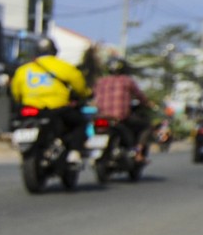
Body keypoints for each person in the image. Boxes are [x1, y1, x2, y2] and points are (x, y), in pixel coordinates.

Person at [10, 37, 91, 167]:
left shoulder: (23, 70)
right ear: (54, 51)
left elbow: (15, 93)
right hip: (57, 110)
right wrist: (84, 95)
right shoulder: (65, 66)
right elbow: (81, 87)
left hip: (30, 109)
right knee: (80, 123)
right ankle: (74, 153)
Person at [92, 56, 151, 158]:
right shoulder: (127, 80)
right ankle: (139, 152)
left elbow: (93, 95)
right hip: (120, 118)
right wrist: (147, 103)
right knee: (146, 126)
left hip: (101, 116)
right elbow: (140, 96)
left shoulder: (100, 81)